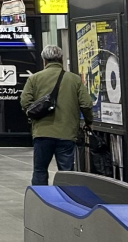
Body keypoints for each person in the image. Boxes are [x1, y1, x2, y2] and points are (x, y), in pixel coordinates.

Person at [20, 45, 92, 187]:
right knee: (66, 171)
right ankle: (66, 203)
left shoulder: (34, 78)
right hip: (66, 133)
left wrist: (35, 115)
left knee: (40, 170)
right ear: (61, 59)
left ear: (44, 61)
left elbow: (25, 101)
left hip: (42, 132)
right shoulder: (74, 79)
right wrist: (88, 121)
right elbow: (86, 104)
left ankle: (40, 202)